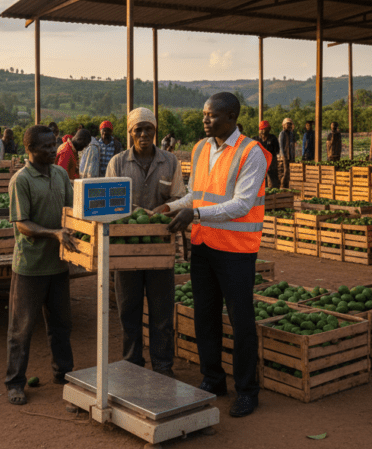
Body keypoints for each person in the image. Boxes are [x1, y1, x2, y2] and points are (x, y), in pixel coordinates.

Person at [161, 92, 271, 418]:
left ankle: (247, 390)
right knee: (205, 316)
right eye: (204, 114)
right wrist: (169, 207)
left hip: (236, 251)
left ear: (232, 117)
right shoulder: (200, 148)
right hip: (204, 246)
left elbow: (242, 204)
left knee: (241, 321)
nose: (205, 119)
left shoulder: (252, 153)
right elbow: (197, 194)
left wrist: (194, 216)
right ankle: (213, 379)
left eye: (212, 115)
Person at [108, 108, 186, 378]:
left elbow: (180, 197)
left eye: (148, 129)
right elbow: (110, 202)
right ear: (129, 132)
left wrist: (167, 208)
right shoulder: (118, 163)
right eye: (137, 129)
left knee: (161, 311)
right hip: (126, 249)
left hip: (160, 248)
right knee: (128, 311)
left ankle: (163, 366)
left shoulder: (170, 162)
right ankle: (132, 365)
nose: (143, 134)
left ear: (156, 131)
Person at [5, 125, 76, 406]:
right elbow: (22, 224)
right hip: (30, 267)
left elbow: (72, 210)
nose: (53, 149)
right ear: (30, 150)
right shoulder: (20, 180)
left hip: (58, 265)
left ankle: (64, 373)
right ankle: (14, 383)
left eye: (54, 144)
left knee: (61, 325)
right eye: (46, 146)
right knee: (21, 328)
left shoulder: (60, 174)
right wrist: (54, 233)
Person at [257, 121, 279, 188]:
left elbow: (277, 150)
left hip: (271, 161)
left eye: (266, 129)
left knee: (272, 179)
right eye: (262, 129)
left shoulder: (273, 138)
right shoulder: (257, 139)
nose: (264, 130)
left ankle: (274, 193)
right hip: (260, 161)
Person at [278, 118, 295, 188]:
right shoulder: (282, 134)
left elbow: (292, 146)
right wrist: (283, 156)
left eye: (290, 124)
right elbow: (281, 146)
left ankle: (286, 187)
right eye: (287, 124)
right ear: (284, 125)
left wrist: (293, 156)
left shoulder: (291, 134)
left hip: (290, 156)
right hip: (284, 157)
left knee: (288, 174)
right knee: (284, 172)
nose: (289, 126)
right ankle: (282, 187)